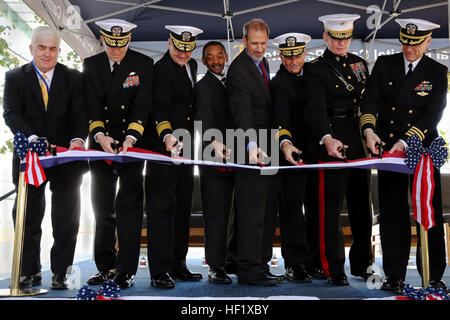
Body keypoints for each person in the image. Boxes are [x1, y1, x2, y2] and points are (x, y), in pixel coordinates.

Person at [360, 18, 448, 293]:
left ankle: (433, 275)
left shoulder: (437, 71)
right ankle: (394, 274)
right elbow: (370, 101)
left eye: (416, 44)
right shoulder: (385, 64)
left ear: (428, 41)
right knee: (392, 212)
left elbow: (433, 114)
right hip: (388, 149)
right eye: (405, 43)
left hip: (421, 148)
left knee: (428, 211)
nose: (408, 49)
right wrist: (369, 130)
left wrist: (405, 141)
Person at [3, 26, 88, 290]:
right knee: (27, 216)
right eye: (42, 47)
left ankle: (61, 272)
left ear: (59, 50)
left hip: (66, 160)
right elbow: (11, 114)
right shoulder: (14, 77)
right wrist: (31, 139)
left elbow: (80, 115)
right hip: (30, 160)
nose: (48, 53)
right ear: (31, 48)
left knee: (66, 218)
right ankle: (30, 271)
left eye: (53, 48)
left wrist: (77, 139)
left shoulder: (74, 77)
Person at [303, 14, 373, 285]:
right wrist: (326, 137)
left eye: (345, 38)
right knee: (328, 210)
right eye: (336, 37)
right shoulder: (315, 69)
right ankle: (332, 266)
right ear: (326, 37)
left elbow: (367, 102)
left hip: (356, 138)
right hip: (328, 142)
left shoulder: (359, 64)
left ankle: (362, 264)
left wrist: (369, 130)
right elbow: (314, 109)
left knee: (360, 206)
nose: (341, 43)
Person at [83, 19, 154, 288]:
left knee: (129, 208)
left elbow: (142, 105)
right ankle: (105, 266)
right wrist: (100, 137)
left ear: (128, 41)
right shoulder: (91, 65)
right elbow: (91, 106)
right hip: (100, 144)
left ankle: (125, 270)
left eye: (121, 45)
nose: (116, 50)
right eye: (111, 45)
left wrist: (131, 138)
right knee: (101, 207)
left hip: (131, 145)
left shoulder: (142, 65)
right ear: (103, 40)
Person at [143, 25, 203, 289]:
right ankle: (160, 270)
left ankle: (179, 264)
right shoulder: (160, 69)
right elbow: (159, 107)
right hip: (163, 146)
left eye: (188, 48)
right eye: (179, 47)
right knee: (161, 209)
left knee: (182, 206)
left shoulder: (190, 67)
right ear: (169, 43)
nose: (183, 53)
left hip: (187, 146)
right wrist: (167, 136)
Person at [227, 18, 282, 286]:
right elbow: (243, 111)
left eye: (263, 43)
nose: (259, 48)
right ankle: (248, 269)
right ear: (244, 41)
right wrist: (251, 144)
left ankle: (261, 264)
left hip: (268, 145)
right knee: (251, 213)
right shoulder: (238, 70)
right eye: (254, 43)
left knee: (268, 211)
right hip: (250, 148)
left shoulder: (263, 63)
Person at [270, 32, 313, 283]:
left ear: (305, 54)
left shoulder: (314, 76)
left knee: (316, 208)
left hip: (317, 152)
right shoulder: (278, 83)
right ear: (281, 57)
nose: (293, 60)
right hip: (290, 155)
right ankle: (294, 264)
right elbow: (280, 119)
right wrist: (286, 144)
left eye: (297, 55)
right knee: (292, 211)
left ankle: (314, 261)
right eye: (288, 56)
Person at [193, 41, 234, 284]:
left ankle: (232, 259)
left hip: (239, 157)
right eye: (211, 57)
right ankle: (215, 266)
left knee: (237, 213)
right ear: (204, 61)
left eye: (220, 56)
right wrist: (214, 142)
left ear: (226, 57)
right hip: (213, 157)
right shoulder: (203, 87)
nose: (216, 60)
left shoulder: (233, 83)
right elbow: (202, 120)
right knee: (216, 214)